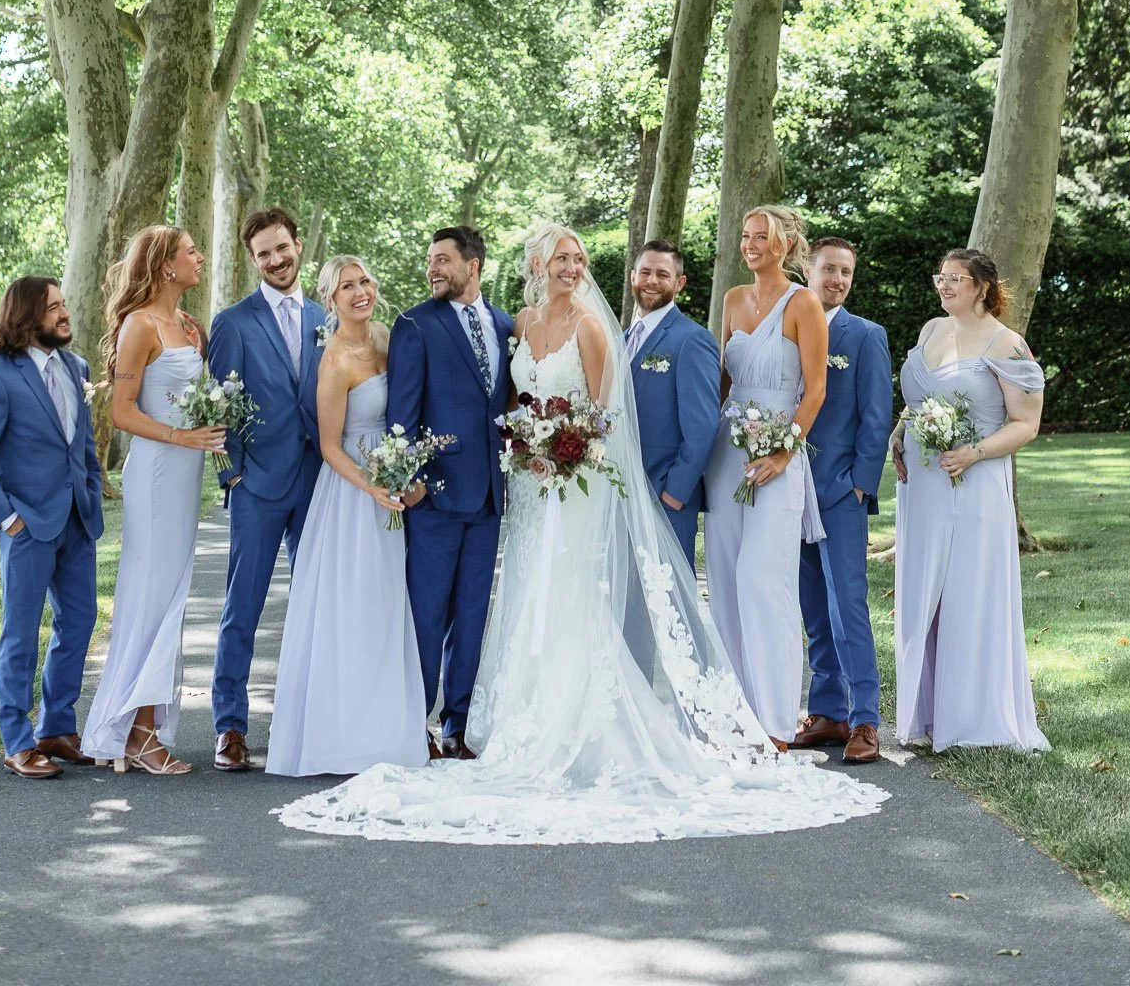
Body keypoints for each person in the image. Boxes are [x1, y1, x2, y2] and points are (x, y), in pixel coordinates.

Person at [271, 222, 887, 844]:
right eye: (561, 258)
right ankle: (497, 721)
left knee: (572, 598)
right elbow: (511, 401)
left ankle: (582, 721)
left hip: (573, 488)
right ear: (538, 265)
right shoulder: (519, 323)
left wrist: (566, 452)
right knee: (525, 599)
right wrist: (527, 444)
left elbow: (604, 417)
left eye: (578, 258)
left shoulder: (593, 328)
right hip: (528, 489)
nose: (571, 267)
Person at [266, 256, 428, 777]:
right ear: (330, 300)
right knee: (356, 603)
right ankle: (346, 733)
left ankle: (389, 725)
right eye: (347, 287)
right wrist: (374, 486)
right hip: (355, 495)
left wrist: (406, 473)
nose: (361, 292)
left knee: (389, 602)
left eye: (365, 282)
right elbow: (330, 446)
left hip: (393, 481)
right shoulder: (333, 361)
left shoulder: (384, 336)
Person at [891, 246, 1048, 752]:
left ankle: (973, 718)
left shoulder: (1007, 344)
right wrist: (901, 429)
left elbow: (1026, 424)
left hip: (974, 485)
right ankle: (926, 713)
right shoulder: (931, 330)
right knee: (925, 593)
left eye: (956, 278)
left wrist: (975, 453)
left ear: (983, 287)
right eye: (940, 276)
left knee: (968, 592)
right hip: (923, 487)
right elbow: (918, 401)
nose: (944, 284)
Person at [81, 228, 225, 774]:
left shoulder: (190, 326)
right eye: (191, 251)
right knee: (152, 595)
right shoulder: (139, 325)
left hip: (187, 474)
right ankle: (137, 734)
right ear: (166, 264)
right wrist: (182, 437)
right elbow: (121, 412)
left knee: (172, 593)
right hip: (158, 472)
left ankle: (135, 728)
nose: (199, 257)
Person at [0, 276, 104, 779]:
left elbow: (82, 446)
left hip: (77, 520)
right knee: (20, 633)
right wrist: (8, 519)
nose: (65, 313)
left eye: (64, 303)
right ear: (26, 316)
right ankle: (17, 741)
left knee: (78, 623)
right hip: (26, 526)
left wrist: (92, 489)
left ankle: (57, 727)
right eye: (53, 307)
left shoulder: (77, 368)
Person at [382, 225, 514, 759]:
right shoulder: (415, 324)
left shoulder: (505, 325)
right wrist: (409, 479)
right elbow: (401, 412)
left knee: (472, 616)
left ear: (472, 265)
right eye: (430, 260)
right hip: (434, 495)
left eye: (442, 260)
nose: (432, 269)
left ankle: (458, 726)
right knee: (427, 615)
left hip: (489, 495)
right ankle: (415, 725)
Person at [705, 205, 828, 750]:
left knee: (763, 578)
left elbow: (815, 390)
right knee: (726, 580)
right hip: (726, 452)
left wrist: (782, 452)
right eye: (746, 235)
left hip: (778, 453)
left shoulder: (804, 304)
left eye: (762, 236)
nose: (750, 244)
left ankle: (776, 721)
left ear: (787, 244)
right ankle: (736, 713)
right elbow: (721, 379)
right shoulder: (732, 299)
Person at [208, 206, 326, 770]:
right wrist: (232, 474)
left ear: (298, 245)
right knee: (243, 607)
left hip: (318, 480)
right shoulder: (233, 322)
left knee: (316, 603)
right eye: (264, 254)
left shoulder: (325, 317)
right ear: (252, 260)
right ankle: (230, 727)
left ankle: (306, 719)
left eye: (282, 248)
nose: (276, 260)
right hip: (257, 483)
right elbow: (217, 404)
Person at [793, 236, 891, 766]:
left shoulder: (866, 335)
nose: (837, 279)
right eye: (829, 269)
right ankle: (827, 711)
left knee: (847, 604)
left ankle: (865, 718)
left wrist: (859, 484)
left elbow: (877, 416)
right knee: (812, 605)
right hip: (790, 488)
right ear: (808, 270)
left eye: (846, 272)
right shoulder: (789, 327)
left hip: (839, 490)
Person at [624, 239, 720, 567]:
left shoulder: (693, 340)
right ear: (633, 276)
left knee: (666, 595)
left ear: (679, 283)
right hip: (622, 496)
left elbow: (703, 429)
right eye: (645, 272)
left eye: (662, 275)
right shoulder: (621, 340)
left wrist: (675, 493)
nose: (652, 281)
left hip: (666, 499)